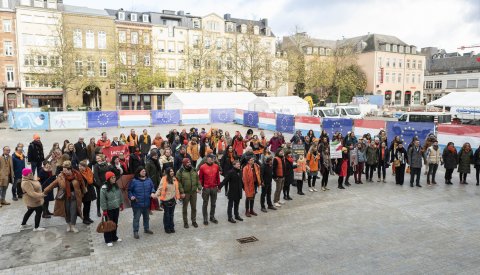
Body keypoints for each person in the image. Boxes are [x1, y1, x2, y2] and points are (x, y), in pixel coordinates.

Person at [44, 161, 86, 233]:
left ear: (70, 170)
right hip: (65, 197)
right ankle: (68, 225)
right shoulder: (61, 176)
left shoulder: (77, 175)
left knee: (74, 211)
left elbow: (82, 184)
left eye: (65, 170)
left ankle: (73, 226)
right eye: (63, 170)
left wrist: (83, 192)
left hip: (75, 196)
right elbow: (52, 184)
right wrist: (45, 191)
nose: (64, 172)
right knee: (67, 211)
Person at [128, 166, 155, 239]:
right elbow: (129, 190)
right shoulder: (134, 181)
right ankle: (135, 231)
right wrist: (131, 196)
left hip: (146, 203)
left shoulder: (149, 180)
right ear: (139, 172)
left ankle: (146, 229)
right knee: (136, 218)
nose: (144, 172)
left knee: (146, 217)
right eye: (143, 171)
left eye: (145, 171)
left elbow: (152, 187)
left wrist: (152, 192)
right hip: (137, 204)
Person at [100, 171, 124, 247]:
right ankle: (108, 240)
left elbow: (120, 195)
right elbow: (102, 200)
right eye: (112, 178)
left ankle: (114, 237)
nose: (114, 179)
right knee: (108, 225)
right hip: (109, 209)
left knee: (115, 223)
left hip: (116, 207)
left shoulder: (116, 186)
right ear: (108, 179)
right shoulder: (104, 188)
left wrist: (121, 203)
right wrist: (104, 210)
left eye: (114, 177)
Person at [177, 158, 200, 228]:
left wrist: (199, 187)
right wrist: (182, 192)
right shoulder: (180, 172)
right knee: (185, 208)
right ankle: (185, 222)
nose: (189, 163)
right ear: (184, 164)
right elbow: (178, 182)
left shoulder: (194, 169)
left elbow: (197, 179)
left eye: (189, 162)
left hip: (193, 192)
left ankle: (194, 221)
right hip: (185, 193)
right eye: (187, 163)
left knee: (194, 208)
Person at [156, 167, 180, 234]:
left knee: (171, 214)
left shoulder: (174, 179)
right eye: (170, 171)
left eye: (172, 171)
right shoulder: (164, 179)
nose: (172, 172)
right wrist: (155, 195)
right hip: (166, 200)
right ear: (167, 172)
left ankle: (171, 227)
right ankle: (166, 228)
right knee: (167, 214)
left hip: (173, 199)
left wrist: (178, 197)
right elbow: (160, 188)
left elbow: (177, 189)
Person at [199, 154, 221, 225]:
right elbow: (200, 178)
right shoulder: (202, 167)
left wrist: (219, 186)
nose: (212, 159)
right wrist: (201, 187)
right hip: (206, 188)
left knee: (213, 203)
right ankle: (205, 218)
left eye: (213, 158)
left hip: (214, 187)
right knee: (205, 203)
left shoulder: (216, 166)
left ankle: (212, 217)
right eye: (211, 158)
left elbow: (218, 177)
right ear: (207, 158)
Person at [79, 160, 96, 225]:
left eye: (82, 166)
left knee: (88, 205)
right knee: (85, 205)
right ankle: (85, 219)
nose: (80, 167)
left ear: (85, 167)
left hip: (90, 189)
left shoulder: (89, 171)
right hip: (84, 191)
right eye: (79, 166)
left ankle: (88, 217)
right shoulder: (79, 173)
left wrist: (98, 186)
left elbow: (92, 180)